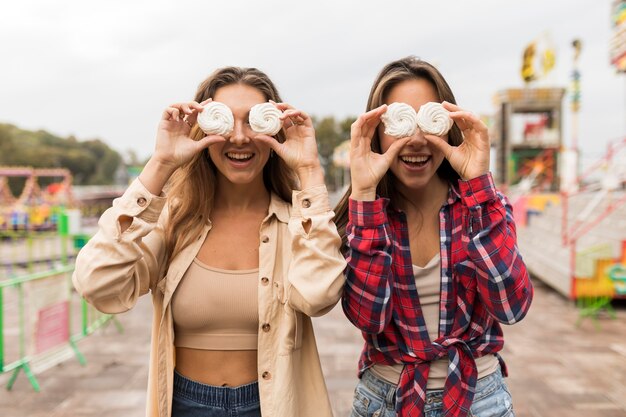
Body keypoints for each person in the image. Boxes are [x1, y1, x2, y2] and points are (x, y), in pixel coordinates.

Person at [73, 66, 346, 417]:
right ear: (204, 127)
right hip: (185, 404)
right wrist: (161, 164)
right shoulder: (174, 223)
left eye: (253, 120)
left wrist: (309, 170)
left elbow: (319, 296)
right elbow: (97, 284)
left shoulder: (298, 223)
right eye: (224, 120)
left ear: (274, 128)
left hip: (275, 404)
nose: (239, 137)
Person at [334, 56, 533, 417]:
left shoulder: (484, 204)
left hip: (479, 396)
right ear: (376, 131)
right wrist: (363, 194)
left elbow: (512, 306)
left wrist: (479, 189)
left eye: (429, 121)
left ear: (448, 126)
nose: (416, 140)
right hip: (386, 398)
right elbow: (368, 318)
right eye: (399, 122)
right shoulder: (364, 214)